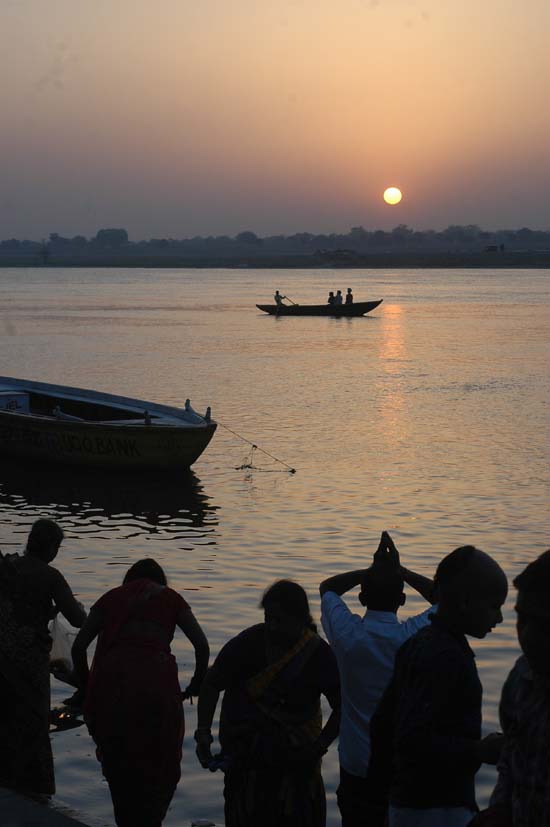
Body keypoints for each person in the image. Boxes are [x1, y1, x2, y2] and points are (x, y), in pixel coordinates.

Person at [369, 545, 508, 827]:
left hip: (406, 805)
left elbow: (381, 725)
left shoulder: (418, 644)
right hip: (435, 811)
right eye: (494, 606)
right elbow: (413, 741)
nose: (500, 618)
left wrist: (384, 798)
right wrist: (479, 751)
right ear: (467, 603)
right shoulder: (445, 656)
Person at [71, 559, 209, 827]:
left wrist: (88, 688)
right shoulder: (170, 598)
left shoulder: (110, 598)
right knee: (160, 761)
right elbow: (202, 646)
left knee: (119, 762)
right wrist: (196, 683)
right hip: (159, 688)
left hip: (114, 688)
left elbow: (78, 649)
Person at [195, 579, 341, 827]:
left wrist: (319, 747)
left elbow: (342, 707)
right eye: (268, 618)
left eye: (279, 620)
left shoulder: (318, 655)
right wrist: (203, 733)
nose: (272, 627)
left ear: (300, 619)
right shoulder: (248, 643)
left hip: (297, 770)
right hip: (246, 766)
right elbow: (211, 684)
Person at [320, 531, 436, 827]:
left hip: (357, 765)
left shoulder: (347, 635)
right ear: (402, 599)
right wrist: (401, 571)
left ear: (361, 597)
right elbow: (443, 600)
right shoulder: (413, 636)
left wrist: (369, 571)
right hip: (402, 763)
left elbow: (328, 588)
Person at [0, 518, 87, 796]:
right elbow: (77, 619)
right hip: (29, 661)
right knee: (33, 723)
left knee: (5, 718)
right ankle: (32, 787)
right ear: (50, 547)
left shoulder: (8, 566)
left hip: (2, 656)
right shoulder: (50, 576)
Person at [471, 549, 550, 827]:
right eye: (522, 618)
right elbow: (512, 763)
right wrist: (501, 808)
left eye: (542, 623)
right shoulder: (521, 678)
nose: (526, 635)